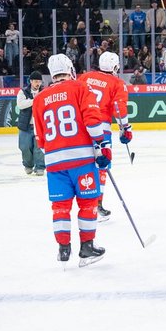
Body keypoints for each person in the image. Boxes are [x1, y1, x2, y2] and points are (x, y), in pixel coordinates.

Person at [32, 53, 110, 266]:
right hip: (81, 159)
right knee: (87, 203)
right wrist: (102, 147)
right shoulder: (81, 88)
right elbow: (93, 121)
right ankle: (86, 247)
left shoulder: (39, 99)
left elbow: (40, 139)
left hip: (54, 161)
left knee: (60, 205)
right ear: (70, 69)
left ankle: (63, 249)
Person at [77, 51, 132, 220]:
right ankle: (97, 204)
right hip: (101, 128)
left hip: (82, 126)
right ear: (114, 66)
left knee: (85, 164)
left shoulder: (84, 78)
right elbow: (119, 108)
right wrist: (125, 128)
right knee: (102, 164)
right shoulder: (117, 83)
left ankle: (85, 203)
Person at [14, 70, 47, 176]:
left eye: (39, 81)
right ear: (31, 81)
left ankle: (40, 166)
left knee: (39, 148)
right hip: (26, 126)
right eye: (36, 81)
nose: (38, 84)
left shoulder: (44, 92)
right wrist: (35, 100)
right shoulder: (23, 92)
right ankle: (28, 165)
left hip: (40, 126)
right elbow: (20, 105)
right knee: (25, 147)